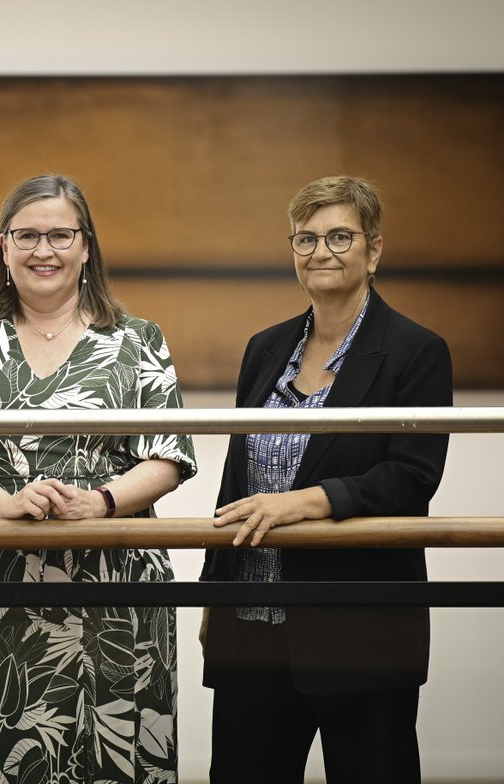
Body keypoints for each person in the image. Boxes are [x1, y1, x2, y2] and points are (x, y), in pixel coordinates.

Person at [0, 174, 197, 784]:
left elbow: (167, 456)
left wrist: (102, 502)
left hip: (111, 594)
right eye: (27, 236)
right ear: (3, 246)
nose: (45, 250)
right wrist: (3, 504)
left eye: (61, 235)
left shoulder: (136, 339)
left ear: (86, 246)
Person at [201, 175, 452, 783]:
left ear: (374, 250)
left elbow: (411, 477)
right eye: (306, 238)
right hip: (253, 626)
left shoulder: (416, 351)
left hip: (358, 628)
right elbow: (239, 478)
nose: (322, 251)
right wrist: (214, 588)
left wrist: (306, 503)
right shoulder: (265, 349)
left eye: (341, 236)